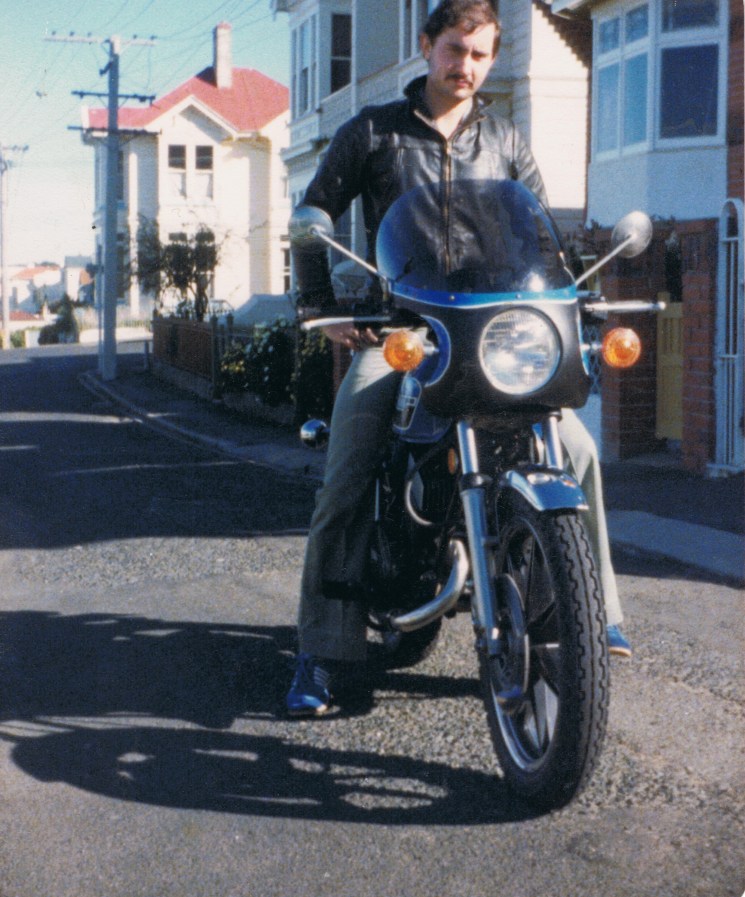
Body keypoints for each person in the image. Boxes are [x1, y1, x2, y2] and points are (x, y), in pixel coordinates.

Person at [287, 0, 631, 717]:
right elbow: (311, 214)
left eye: (479, 55)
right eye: (454, 50)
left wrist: (573, 294)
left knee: (576, 446)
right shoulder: (374, 131)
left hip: (493, 332)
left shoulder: (504, 139)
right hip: (405, 335)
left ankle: (593, 616)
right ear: (425, 47)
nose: (466, 67)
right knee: (347, 472)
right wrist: (317, 310)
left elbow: (541, 239)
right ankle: (321, 650)